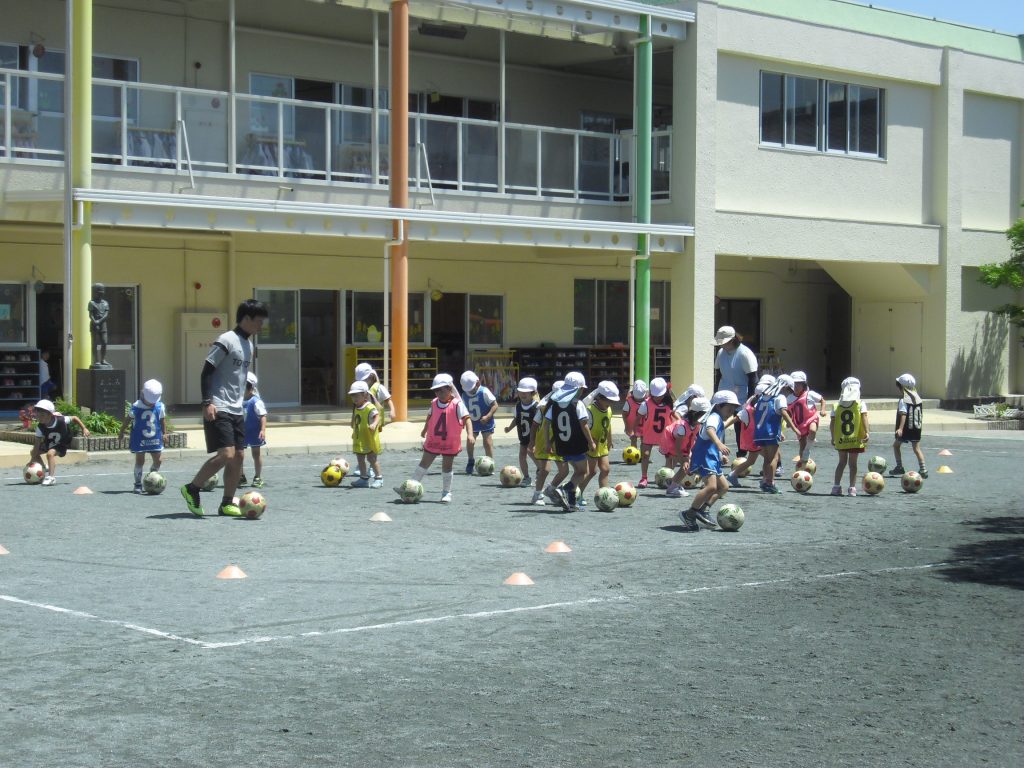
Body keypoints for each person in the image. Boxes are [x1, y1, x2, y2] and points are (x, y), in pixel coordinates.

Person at [179, 298, 268, 517]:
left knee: (239, 456)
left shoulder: (249, 345)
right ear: (246, 318)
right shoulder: (226, 340)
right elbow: (207, 371)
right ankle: (192, 488)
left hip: (237, 408)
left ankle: (227, 503)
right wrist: (207, 402)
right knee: (227, 454)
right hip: (219, 405)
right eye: (259, 321)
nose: (261, 326)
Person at [396, 373, 472, 503]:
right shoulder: (434, 403)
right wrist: (425, 429)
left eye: (441, 390)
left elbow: (467, 419)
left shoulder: (457, 404)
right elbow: (430, 416)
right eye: (436, 390)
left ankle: (446, 492)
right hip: (433, 440)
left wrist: (470, 434)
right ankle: (410, 487)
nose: (438, 393)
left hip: (449, 442)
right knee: (423, 464)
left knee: (447, 466)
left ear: (449, 388)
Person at [681, 391, 739, 532]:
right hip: (705, 457)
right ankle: (689, 514)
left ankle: (703, 510)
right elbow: (710, 430)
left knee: (724, 487)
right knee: (711, 487)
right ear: (718, 406)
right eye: (729, 409)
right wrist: (719, 444)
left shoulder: (718, 418)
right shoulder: (714, 417)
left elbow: (711, 438)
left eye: (733, 410)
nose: (731, 413)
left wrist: (719, 454)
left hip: (712, 457)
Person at [544, 371, 596, 512]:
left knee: (576, 472)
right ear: (578, 390)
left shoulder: (554, 404)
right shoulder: (577, 404)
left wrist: (548, 442)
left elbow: (546, 423)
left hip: (562, 444)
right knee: (583, 472)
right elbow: (584, 424)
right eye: (582, 389)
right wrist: (591, 441)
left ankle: (571, 504)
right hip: (576, 443)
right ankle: (564, 489)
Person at [713, 325, 758, 456]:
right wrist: (716, 393)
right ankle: (718, 453)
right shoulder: (721, 353)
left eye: (723, 342)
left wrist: (751, 400)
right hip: (723, 393)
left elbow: (753, 378)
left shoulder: (744, 353)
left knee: (739, 425)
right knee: (717, 421)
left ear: (732, 340)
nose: (721, 345)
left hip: (742, 396)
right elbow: (718, 374)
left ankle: (742, 453)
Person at [118, 378, 166, 493]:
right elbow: (128, 419)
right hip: (139, 437)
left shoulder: (160, 406)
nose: (151, 403)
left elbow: (162, 420)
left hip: (155, 437)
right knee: (140, 461)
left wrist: (164, 433)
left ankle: (152, 477)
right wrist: (121, 431)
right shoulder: (136, 406)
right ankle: (138, 484)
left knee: (159, 459)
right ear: (142, 394)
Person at [752, 374, 798, 494]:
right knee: (774, 458)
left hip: (759, 431)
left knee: (767, 458)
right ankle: (770, 482)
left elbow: (754, 411)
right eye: (789, 390)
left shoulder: (763, 396)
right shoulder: (780, 397)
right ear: (785, 387)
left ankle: (764, 480)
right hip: (771, 431)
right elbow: (783, 412)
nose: (789, 394)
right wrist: (794, 428)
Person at [29, 398, 89, 486]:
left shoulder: (61, 420)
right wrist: (32, 459)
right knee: (33, 452)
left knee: (50, 454)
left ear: (50, 414)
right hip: (48, 443)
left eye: (42, 415)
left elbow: (75, 418)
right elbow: (37, 444)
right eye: (38, 415)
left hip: (61, 444)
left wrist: (84, 428)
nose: (39, 417)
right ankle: (44, 468)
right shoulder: (40, 427)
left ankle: (51, 477)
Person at [530, 379, 568, 506]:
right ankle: (537, 494)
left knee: (564, 471)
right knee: (545, 469)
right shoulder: (543, 409)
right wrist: (532, 442)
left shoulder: (567, 407)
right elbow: (534, 425)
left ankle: (550, 489)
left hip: (559, 443)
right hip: (543, 441)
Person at [579, 380, 619, 499]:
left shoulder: (608, 409)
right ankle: (576, 494)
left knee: (605, 469)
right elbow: (583, 427)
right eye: (608, 400)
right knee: (591, 471)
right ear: (600, 398)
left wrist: (610, 439)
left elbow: (608, 425)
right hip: (591, 445)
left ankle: (605, 496)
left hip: (602, 444)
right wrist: (591, 441)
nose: (610, 403)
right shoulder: (590, 410)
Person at [830, 376, 870, 497]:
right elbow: (864, 417)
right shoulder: (860, 404)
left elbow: (832, 424)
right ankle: (852, 488)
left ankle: (836, 487)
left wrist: (833, 437)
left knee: (841, 462)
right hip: (855, 439)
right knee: (853, 464)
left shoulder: (836, 405)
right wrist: (867, 432)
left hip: (841, 439)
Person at [354, 362, 394, 480]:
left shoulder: (378, 388)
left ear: (371, 377)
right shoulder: (360, 389)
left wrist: (392, 410)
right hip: (363, 422)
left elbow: (388, 399)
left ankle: (372, 467)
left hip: (374, 421)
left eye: (364, 380)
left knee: (372, 445)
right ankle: (361, 466)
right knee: (363, 443)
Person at [665, 394, 709, 498]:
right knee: (686, 466)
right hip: (674, 446)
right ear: (697, 414)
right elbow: (677, 446)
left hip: (684, 447)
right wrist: (683, 459)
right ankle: (672, 488)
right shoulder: (682, 427)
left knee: (688, 466)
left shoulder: (696, 425)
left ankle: (674, 483)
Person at [636, 376, 674, 488]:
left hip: (665, 434)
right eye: (655, 396)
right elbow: (638, 417)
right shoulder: (646, 404)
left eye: (660, 395)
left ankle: (668, 477)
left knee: (669, 456)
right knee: (645, 455)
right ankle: (644, 477)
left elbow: (674, 415)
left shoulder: (670, 403)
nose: (657, 398)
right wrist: (635, 429)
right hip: (649, 432)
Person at [460, 370, 498, 474]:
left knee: (487, 441)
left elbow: (495, 405)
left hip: (486, 421)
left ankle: (490, 462)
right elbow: (463, 409)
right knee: (470, 440)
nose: (470, 391)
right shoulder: (464, 395)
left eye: (471, 389)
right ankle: (470, 460)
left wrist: (488, 416)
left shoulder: (484, 391)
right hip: (472, 423)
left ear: (478, 383)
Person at [891, 373, 928, 478]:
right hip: (916, 428)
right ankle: (923, 469)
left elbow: (903, 414)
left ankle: (899, 467)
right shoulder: (918, 399)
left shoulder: (903, 400)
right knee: (916, 448)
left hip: (906, 428)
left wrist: (900, 428)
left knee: (896, 446)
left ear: (902, 387)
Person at [503, 376, 538, 487]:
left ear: (533, 393)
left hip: (534, 438)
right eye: (521, 391)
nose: (523, 394)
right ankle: (526, 477)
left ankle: (540, 468)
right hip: (523, 436)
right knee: (522, 455)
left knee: (532, 453)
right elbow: (516, 419)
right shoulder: (518, 406)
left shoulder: (536, 407)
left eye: (526, 392)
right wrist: (509, 428)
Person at [349, 380, 384, 488]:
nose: (354, 398)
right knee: (360, 458)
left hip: (369, 439)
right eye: (352, 396)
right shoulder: (356, 407)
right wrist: (354, 429)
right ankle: (363, 478)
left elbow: (377, 416)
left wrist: (374, 424)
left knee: (372, 459)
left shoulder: (369, 407)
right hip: (360, 438)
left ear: (365, 395)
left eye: (357, 395)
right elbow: (356, 420)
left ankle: (379, 478)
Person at [788, 371, 826, 469]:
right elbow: (788, 411)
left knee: (813, 430)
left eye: (798, 384)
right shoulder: (789, 398)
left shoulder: (810, 394)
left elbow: (822, 400)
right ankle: (802, 467)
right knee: (802, 445)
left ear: (804, 384)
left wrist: (822, 410)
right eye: (793, 384)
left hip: (811, 418)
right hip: (799, 424)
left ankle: (808, 449)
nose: (796, 387)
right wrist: (789, 421)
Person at [240, 372, 268, 488]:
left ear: (251, 388)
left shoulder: (256, 401)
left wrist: (263, 430)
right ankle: (241, 476)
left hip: (254, 432)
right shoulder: (238, 400)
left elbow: (263, 416)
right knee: (239, 454)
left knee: (256, 454)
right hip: (241, 431)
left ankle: (257, 476)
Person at [87, 283, 111, 368]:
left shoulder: (105, 303)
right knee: (95, 343)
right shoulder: (91, 303)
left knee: (104, 342)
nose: (100, 294)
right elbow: (91, 315)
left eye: (101, 292)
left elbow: (106, 314)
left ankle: (103, 359)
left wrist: (99, 321)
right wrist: (95, 322)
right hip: (94, 325)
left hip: (103, 325)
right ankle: (96, 360)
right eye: (98, 292)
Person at [621, 380, 648, 449]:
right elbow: (624, 413)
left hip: (642, 426)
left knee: (642, 441)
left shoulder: (629, 401)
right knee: (635, 440)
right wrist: (626, 425)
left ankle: (639, 454)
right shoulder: (630, 402)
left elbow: (624, 413)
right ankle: (635, 454)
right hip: (634, 426)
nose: (639, 400)